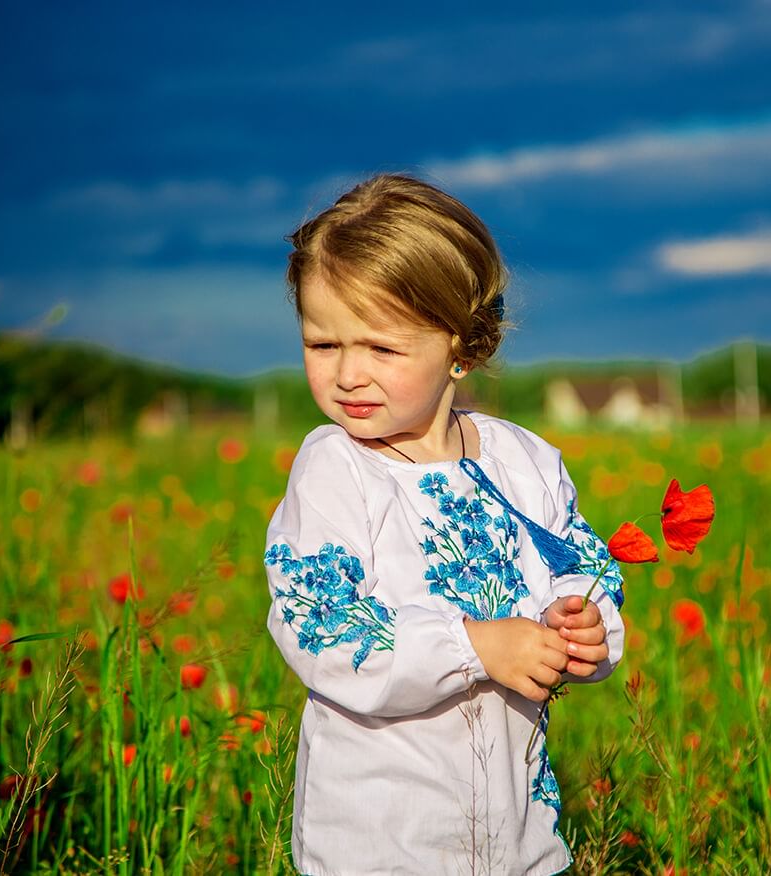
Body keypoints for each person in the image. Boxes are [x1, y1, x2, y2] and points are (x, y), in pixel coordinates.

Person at [264, 173, 625, 875]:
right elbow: (324, 629)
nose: (347, 375)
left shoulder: (525, 462)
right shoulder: (335, 471)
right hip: (379, 842)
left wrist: (586, 627)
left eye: (381, 348)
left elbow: (583, 568)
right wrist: (473, 647)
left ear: (462, 345)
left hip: (521, 838)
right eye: (322, 344)